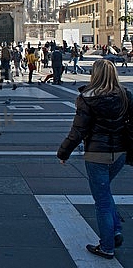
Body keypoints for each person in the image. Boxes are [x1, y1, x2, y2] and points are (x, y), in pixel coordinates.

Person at [57, 59, 133, 260]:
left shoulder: (87, 98)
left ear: (95, 75)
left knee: (101, 202)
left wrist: (63, 153)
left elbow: (78, 131)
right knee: (105, 192)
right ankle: (115, 230)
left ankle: (107, 246)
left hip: (97, 155)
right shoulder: (125, 95)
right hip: (120, 153)